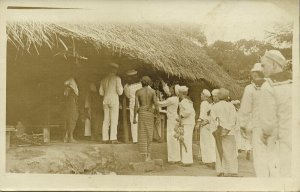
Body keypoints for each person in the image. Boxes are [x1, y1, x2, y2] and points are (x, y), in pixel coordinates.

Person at [259, 50, 292, 177]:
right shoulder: (294, 81)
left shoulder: (268, 86)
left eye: (263, 65)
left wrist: (265, 134)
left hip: (280, 141)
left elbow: (268, 122)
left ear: (274, 64)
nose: (262, 69)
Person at [239, 62, 268, 177]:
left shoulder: (250, 88)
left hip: (258, 126)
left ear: (255, 74)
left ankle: (263, 182)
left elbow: (245, 109)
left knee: (260, 156)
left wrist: (242, 124)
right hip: (273, 126)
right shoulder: (272, 86)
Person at [211, 88, 238, 177]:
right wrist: (227, 129)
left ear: (218, 96)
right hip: (229, 132)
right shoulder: (231, 106)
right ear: (227, 97)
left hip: (218, 131)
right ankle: (232, 170)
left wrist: (219, 129)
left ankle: (221, 170)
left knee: (219, 150)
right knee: (230, 151)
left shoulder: (215, 106)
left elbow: (214, 119)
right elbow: (233, 119)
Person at [133, 76, 158, 161]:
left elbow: (136, 105)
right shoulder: (153, 92)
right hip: (150, 113)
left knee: (142, 133)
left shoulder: (138, 92)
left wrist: (134, 117)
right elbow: (156, 105)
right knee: (149, 133)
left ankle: (143, 156)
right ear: (149, 82)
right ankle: (148, 155)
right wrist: (157, 115)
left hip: (142, 113)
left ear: (141, 82)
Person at [99, 63, 123, 144]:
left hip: (105, 100)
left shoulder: (103, 79)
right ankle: (113, 138)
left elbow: (101, 93)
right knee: (114, 119)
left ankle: (105, 138)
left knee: (106, 119)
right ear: (115, 70)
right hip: (114, 100)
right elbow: (120, 92)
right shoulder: (117, 78)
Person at [157, 84, 180, 164]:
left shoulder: (171, 99)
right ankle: (177, 158)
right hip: (174, 119)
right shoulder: (176, 98)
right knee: (175, 138)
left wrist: (154, 100)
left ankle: (172, 159)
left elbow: (161, 104)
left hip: (172, 120)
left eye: (170, 88)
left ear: (173, 90)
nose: (169, 89)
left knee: (171, 138)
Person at [196, 89, 216, 169]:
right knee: (209, 142)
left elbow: (202, 114)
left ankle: (207, 160)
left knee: (204, 142)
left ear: (204, 96)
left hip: (204, 123)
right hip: (209, 124)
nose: (201, 96)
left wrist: (198, 122)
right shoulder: (209, 103)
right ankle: (210, 159)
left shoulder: (204, 103)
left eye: (201, 95)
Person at [177, 86, 195, 166]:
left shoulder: (184, 101)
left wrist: (181, 116)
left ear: (181, 93)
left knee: (186, 140)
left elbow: (189, 111)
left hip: (187, 123)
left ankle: (187, 161)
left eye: (179, 92)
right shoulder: (188, 100)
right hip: (189, 122)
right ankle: (187, 160)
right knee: (187, 140)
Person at [124, 69, 142, 144]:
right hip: (141, 103)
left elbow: (127, 96)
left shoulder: (127, 86)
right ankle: (140, 138)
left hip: (133, 104)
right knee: (140, 120)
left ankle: (135, 139)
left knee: (133, 120)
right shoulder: (141, 84)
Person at [63, 78, 79, 143]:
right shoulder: (71, 83)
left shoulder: (67, 89)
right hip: (72, 104)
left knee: (69, 119)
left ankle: (66, 137)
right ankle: (71, 137)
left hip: (69, 105)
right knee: (72, 119)